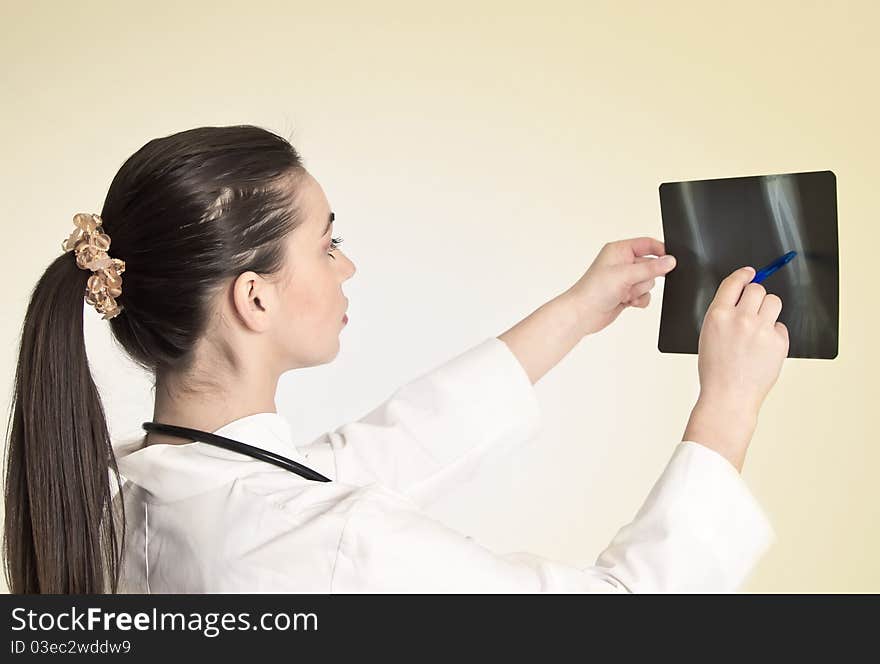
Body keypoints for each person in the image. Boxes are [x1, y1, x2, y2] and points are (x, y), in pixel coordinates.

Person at [2, 125, 788, 594]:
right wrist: (729, 404)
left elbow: (369, 458)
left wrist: (578, 311)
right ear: (256, 298)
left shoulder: (135, 495)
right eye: (327, 243)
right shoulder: (334, 550)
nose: (346, 267)